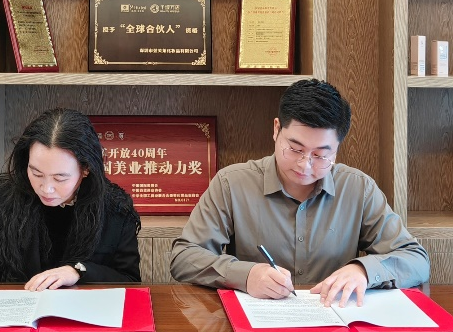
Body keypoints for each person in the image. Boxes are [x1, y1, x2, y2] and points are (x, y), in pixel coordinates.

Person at [170, 79, 429, 305]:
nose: (305, 165)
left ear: (337, 149)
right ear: (276, 130)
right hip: (258, 329)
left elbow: (416, 259)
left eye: (321, 155)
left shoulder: (358, 188)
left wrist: (363, 271)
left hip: (333, 326)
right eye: (295, 149)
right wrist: (246, 276)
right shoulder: (232, 183)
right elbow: (184, 257)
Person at [0, 108, 142, 294]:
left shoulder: (114, 207)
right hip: (11, 316)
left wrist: (78, 271)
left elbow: (129, 280)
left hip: (83, 322)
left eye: (60, 178)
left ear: (86, 169)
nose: (46, 188)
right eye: (36, 173)